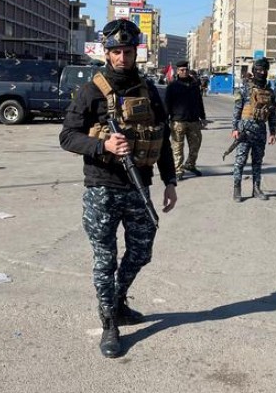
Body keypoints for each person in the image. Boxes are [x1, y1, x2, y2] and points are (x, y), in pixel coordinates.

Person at [59, 19, 177, 359]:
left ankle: (119, 298)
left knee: (142, 252)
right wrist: (103, 146)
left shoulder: (148, 88)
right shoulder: (91, 90)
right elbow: (68, 136)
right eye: (115, 52)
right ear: (106, 53)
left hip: (140, 187)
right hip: (103, 188)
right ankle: (109, 320)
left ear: (135, 52)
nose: (122, 58)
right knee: (105, 258)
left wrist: (170, 181)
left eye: (127, 51)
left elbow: (162, 138)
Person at [231, 57, 276, 202]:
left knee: (257, 162)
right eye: (258, 70)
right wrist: (234, 128)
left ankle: (256, 189)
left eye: (264, 70)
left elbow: (272, 114)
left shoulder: (270, 92)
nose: (261, 73)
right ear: (254, 70)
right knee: (240, 161)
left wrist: (273, 132)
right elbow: (237, 110)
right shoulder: (244, 88)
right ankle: (237, 190)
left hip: (260, 131)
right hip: (244, 130)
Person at [164, 60, 207, 180]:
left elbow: (199, 102)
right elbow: (167, 104)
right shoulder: (173, 86)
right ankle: (178, 170)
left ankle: (190, 164)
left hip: (193, 121)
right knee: (177, 147)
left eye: (186, 70)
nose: (184, 72)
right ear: (178, 71)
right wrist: (165, 120)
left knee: (196, 145)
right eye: (182, 70)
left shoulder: (194, 85)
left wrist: (203, 117)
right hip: (178, 121)